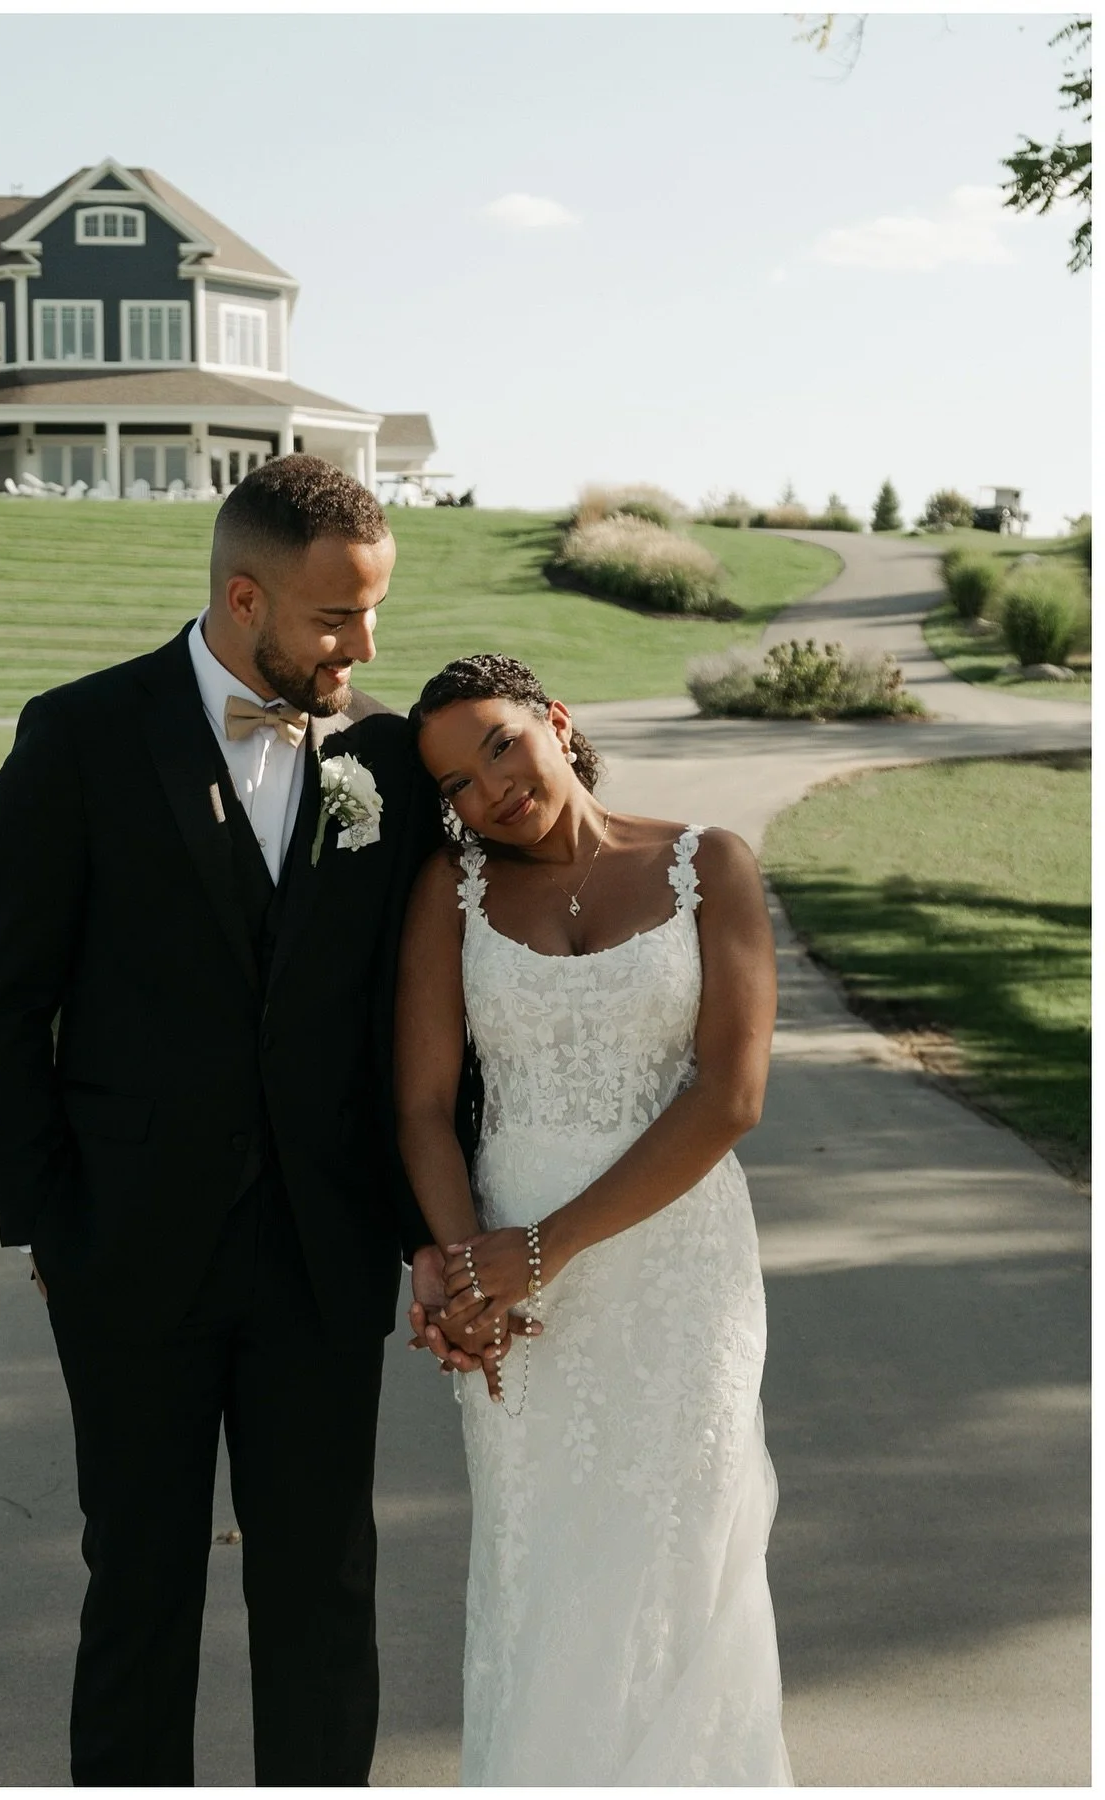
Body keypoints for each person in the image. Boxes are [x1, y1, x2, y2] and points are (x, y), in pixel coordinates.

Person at [0, 456, 446, 1786]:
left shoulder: (390, 760)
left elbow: (425, 1014)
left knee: (323, 1599)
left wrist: (417, 1226)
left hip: (320, 1255)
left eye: (374, 612)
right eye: (338, 618)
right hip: (128, 1251)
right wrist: (50, 1223)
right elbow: (6, 1005)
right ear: (245, 599)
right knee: (139, 1592)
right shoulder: (80, 737)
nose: (364, 645)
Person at [395, 653, 792, 1785]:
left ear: (556, 722)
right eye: (459, 783)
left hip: (677, 1267)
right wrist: (473, 1275)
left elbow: (732, 1095)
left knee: (682, 1549)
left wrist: (540, 1250)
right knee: (545, 1565)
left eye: (501, 744)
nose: (493, 788)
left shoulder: (709, 863)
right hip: (513, 1278)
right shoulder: (451, 892)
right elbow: (422, 1106)